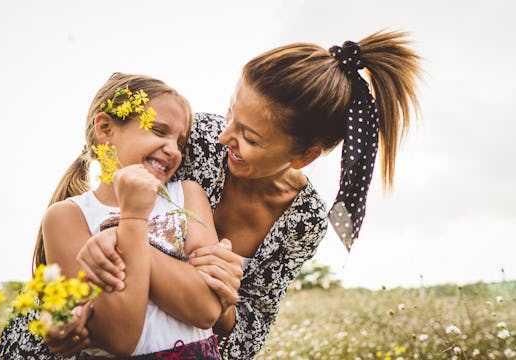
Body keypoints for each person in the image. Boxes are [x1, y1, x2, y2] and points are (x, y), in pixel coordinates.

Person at [73, 30, 422, 359]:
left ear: (304, 157)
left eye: (250, 138)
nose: (225, 137)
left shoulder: (304, 221)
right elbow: (109, 196)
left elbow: (250, 331)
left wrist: (223, 302)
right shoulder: (195, 142)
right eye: (230, 114)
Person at [0, 73, 230, 359]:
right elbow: (119, 338)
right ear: (105, 129)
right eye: (158, 130)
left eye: (180, 142)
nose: (173, 150)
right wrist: (132, 218)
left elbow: (205, 310)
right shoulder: (67, 217)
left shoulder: (188, 195)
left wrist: (122, 239)